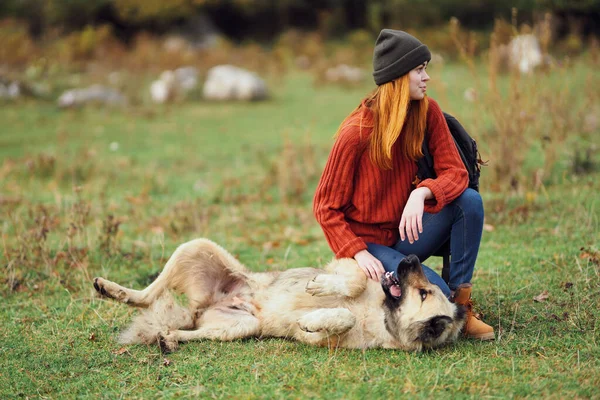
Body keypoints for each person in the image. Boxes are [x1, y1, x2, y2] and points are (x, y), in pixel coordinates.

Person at [313, 29, 494, 341]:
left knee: (469, 201)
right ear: (398, 77)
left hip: (407, 233)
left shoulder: (428, 112)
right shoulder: (355, 134)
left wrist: (422, 192)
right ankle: (448, 305)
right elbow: (325, 208)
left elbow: (456, 173)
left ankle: (463, 306)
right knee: (432, 288)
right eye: (419, 70)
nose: (427, 78)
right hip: (370, 246)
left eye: (426, 69)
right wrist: (357, 252)